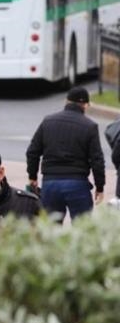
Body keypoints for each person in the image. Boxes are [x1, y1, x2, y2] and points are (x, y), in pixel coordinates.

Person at [26, 87, 106, 222]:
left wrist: (32, 176)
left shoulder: (48, 121)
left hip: (50, 183)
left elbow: (32, 152)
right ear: (85, 105)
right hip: (77, 184)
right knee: (82, 229)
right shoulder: (90, 126)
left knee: (50, 230)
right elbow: (97, 160)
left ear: (67, 101)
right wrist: (100, 187)